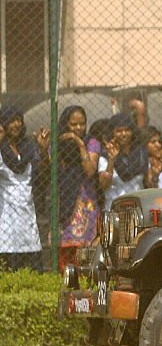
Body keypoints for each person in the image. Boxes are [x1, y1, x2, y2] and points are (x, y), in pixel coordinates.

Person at [54, 105, 101, 271]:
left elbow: (90, 170)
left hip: (85, 203)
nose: (79, 128)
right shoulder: (57, 144)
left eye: (82, 124)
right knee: (65, 254)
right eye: (74, 125)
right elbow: (47, 171)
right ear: (66, 124)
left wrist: (80, 145)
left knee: (85, 253)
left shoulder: (92, 143)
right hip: (65, 203)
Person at [0, 106, 44, 271]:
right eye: (11, 121)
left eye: (18, 120)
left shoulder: (28, 145)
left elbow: (42, 173)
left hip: (27, 213)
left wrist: (43, 150)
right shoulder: (1, 148)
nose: (16, 124)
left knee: (32, 265)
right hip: (6, 217)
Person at [98, 113, 148, 203]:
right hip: (115, 207)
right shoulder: (106, 155)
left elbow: (148, 181)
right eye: (119, 131)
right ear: (112, 133)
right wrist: (111, 161)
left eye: (127, 130)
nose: (124, 134)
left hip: (137, 206)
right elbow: (104, 185)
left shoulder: (140, 152)